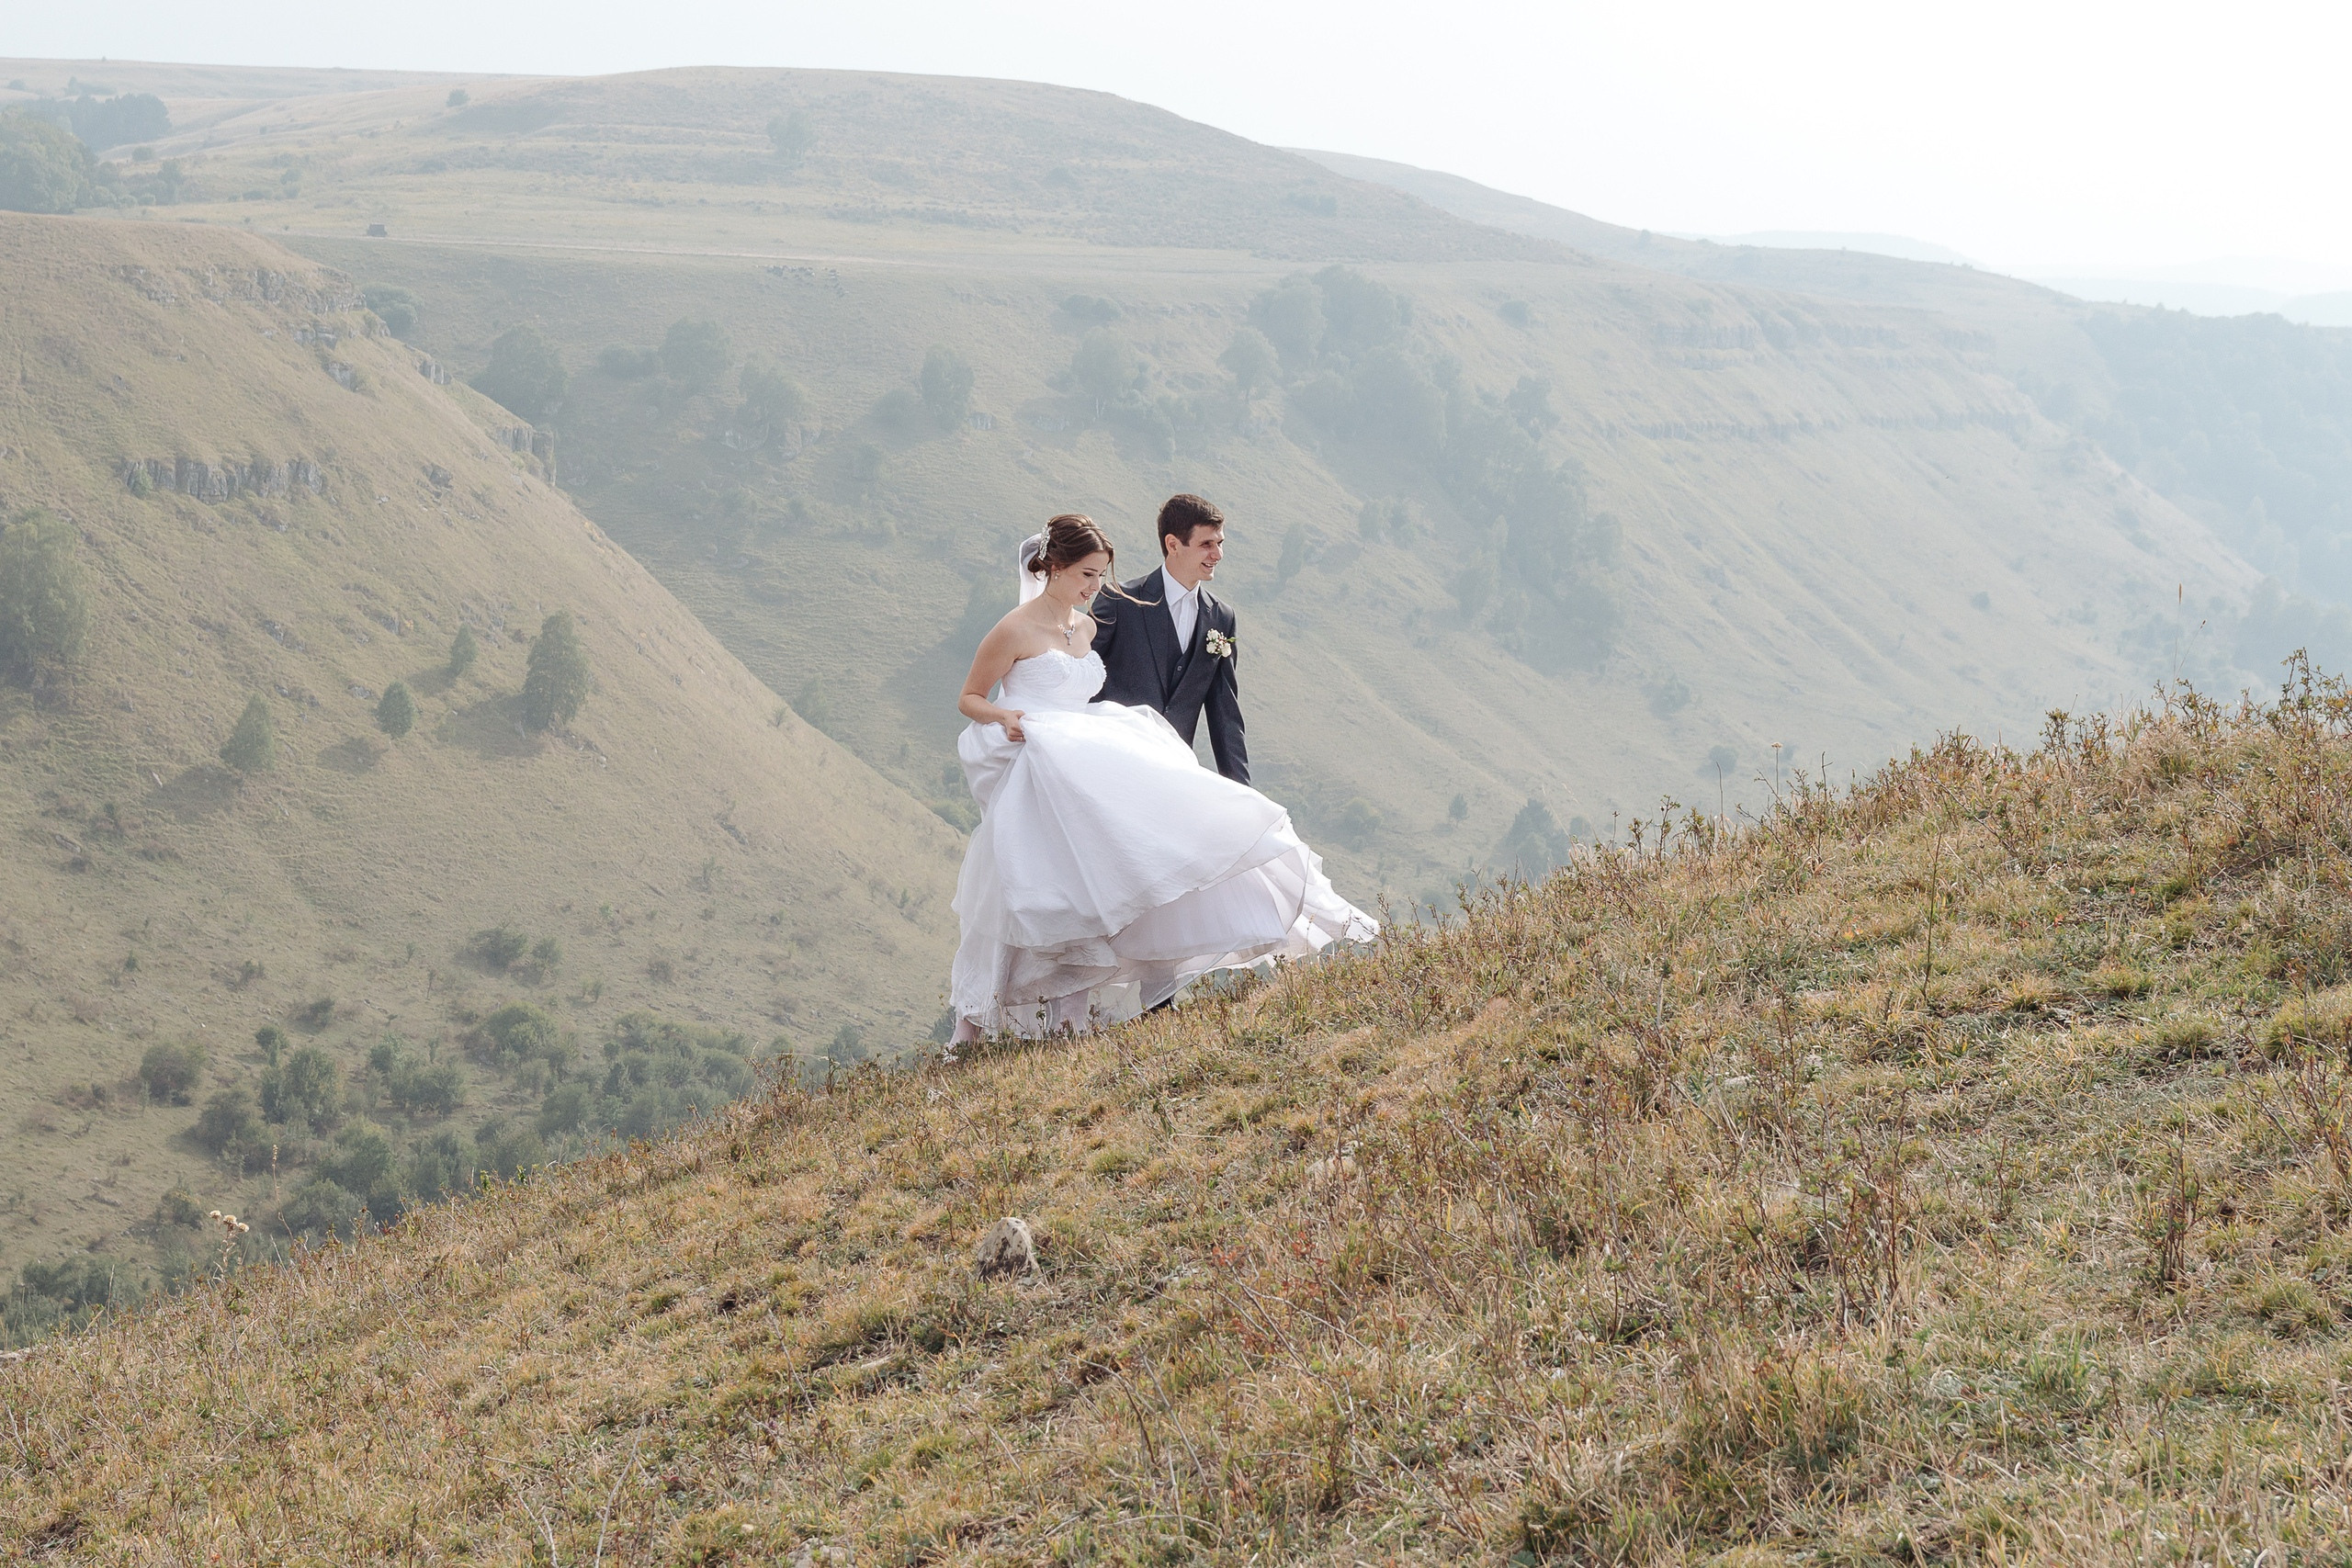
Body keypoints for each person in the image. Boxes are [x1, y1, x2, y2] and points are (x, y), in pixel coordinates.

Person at [947, 513, 1374, 1041]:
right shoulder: (1013, 628)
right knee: (1038, 891)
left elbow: (1213, 706)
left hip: (1084, 761)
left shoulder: (1085, 626)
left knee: (1111, 880)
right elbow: (970, 698)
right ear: (1051, 568)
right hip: (1037, 763)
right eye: (1085, 575)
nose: (1095, 588)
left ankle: (1073, 1022)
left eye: (1100, 575)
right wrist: (1007, 716)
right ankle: (974, 1028)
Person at [1091, 493, 1247, 783]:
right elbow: (1081, 678)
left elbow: (1225, 715)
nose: (1217, 554)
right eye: (1206, 544)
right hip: (1108, 763)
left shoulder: (1222, 618)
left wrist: (1245, 796)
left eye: (1219, 543)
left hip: (1171, 774)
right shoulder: (1119, 600)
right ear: (1173, 544)